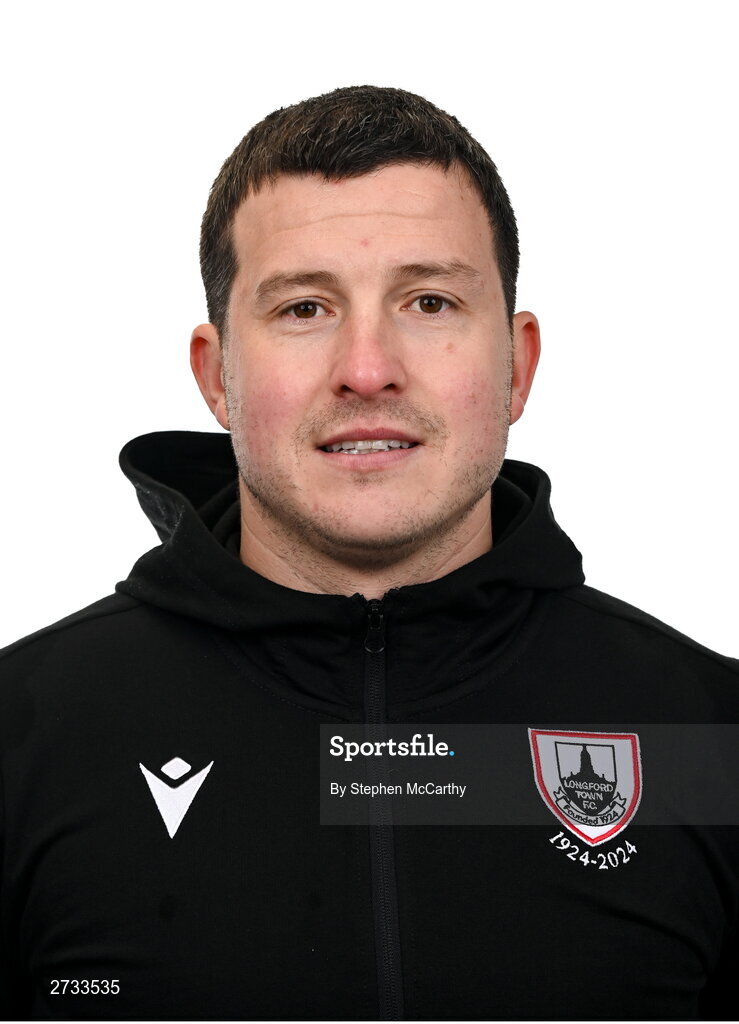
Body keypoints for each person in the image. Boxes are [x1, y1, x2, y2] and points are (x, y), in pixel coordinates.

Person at [1, 84, 737, 1022]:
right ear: (216, 376)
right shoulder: (22, 736)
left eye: (429, 301)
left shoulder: (709, 734)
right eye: (304, 308)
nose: (366, 369)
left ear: (516, 365)